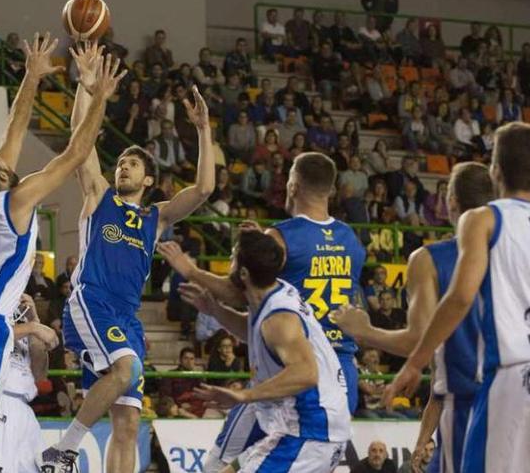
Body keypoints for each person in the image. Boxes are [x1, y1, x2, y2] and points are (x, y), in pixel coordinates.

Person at [0, 35, 121, 473]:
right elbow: (75, 154)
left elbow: (13, 129)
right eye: (0, 162)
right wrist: (99, 99)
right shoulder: (15, 200)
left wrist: (32, 76)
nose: (7, 158)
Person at [37, 39, 214, 473]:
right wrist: (87, 85)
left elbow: (205, 189)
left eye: (133, 165)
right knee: (126, 368)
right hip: (91, 302)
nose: (124, 167)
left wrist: (204, 131)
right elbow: (80, 147)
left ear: (149, 179)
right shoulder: (100, 197)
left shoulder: (155, 217)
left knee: (129, 423)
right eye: (121, 163)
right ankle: (64, 449)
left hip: (126, 317)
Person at [157, 152, 366, 471]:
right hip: (341, 370)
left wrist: (191, 270)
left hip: (294, 371)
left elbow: (238, 292)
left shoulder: (284, 237)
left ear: (292, 185)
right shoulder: (350, 240)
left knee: (222, 462)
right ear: (333, 189)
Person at [386, 123, 530, 472]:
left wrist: (416, 361)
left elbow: (460, 296)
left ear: (495, 170)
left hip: (515, 373)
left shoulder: (483, 219)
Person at [181, 230, 350, 472]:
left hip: (309, 434)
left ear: (244, 274)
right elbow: (253, 330)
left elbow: (306, 373)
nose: (228, 263)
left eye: (232, 258)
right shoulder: (274, 292)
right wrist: (215, 310)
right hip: (293, 427)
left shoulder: (279, 319)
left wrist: (244, 396)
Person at [0, 298, 50, 473]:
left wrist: (34, 320)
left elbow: (40, 374)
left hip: (24, 408)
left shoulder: (23, 319)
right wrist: (33, 327)